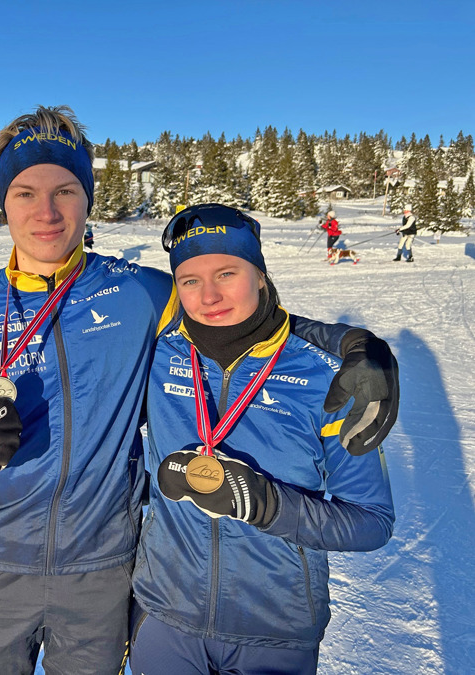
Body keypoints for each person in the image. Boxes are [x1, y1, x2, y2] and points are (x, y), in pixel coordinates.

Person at [0, 105, 399, 675]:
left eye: (65, 190)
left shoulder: (143, 293)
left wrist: (356, 346)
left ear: (88, 198)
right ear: (3, 202)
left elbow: (235, 307)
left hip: (104, 573)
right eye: (24, 193)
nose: (46, 212)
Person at [130, 204, 395, 675]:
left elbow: (372, 521)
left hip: (276, 628)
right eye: (190, 280)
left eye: (227, 273)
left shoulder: (326, 377)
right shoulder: (158, 354)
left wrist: (270, 507)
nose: (208, 295)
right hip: (164, 618)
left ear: (260, 275)